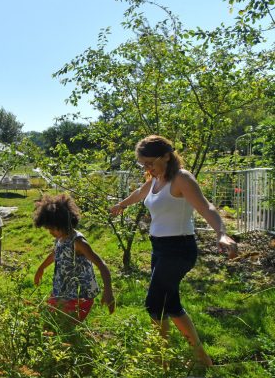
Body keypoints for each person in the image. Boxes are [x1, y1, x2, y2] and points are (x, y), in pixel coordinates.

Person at [110, 135, 238, 366]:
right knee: (171, 304)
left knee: (154, 304)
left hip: (179, 249)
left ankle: (162, 359)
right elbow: (140, 193)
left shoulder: (181, 178)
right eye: (143, 164)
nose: (147, 168)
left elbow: (205, 206)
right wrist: (121, 205)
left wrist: (221, 233)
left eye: (150, 162)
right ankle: (201, 357)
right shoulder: (156, 178)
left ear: (167, 156)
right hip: (159, 248)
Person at [32, 193, 115, 322]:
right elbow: (55, 253)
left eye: (52, 229)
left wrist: (108, 291)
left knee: (67, 325)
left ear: (63, 223)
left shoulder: (78, 242)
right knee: (51, 320)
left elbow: (101, 265)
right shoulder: (60, 238)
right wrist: (41, 268)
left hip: (79, 295)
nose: (50, 232)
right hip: (62, 290)